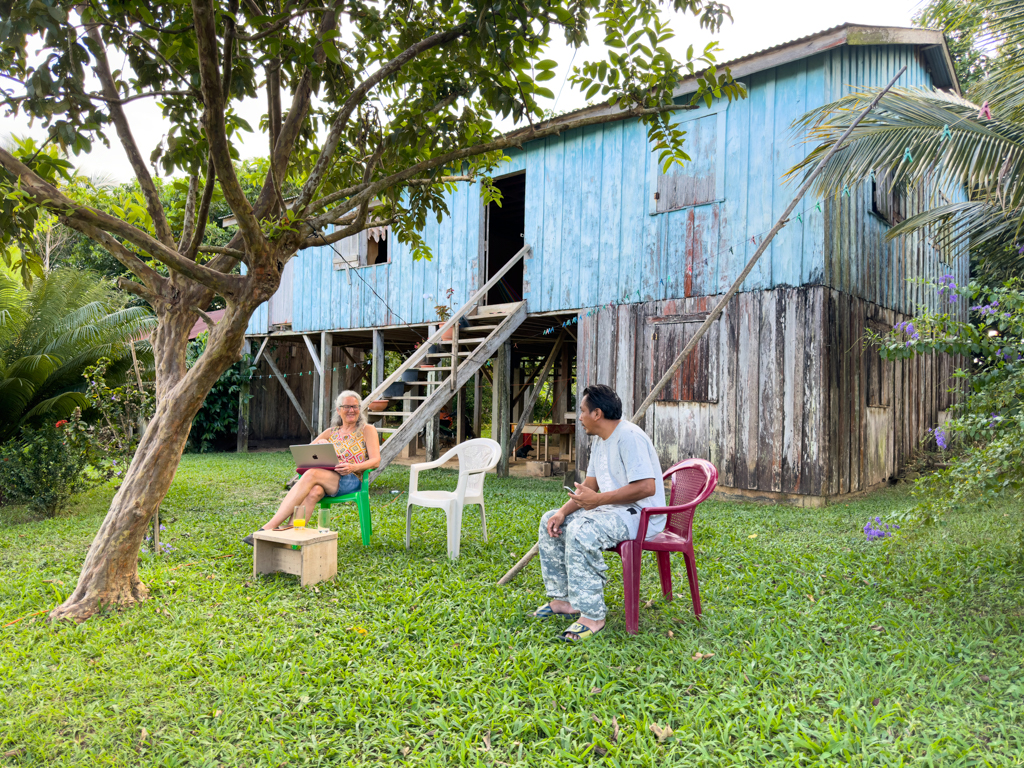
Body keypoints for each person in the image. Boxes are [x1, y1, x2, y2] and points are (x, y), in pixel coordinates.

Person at [532, 384, 665, 642]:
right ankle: (567, 601)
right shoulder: (601, 442)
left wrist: (598, 500)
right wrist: (561, 512)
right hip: (612, 510)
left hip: (641, 515)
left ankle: (593, 616)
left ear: (597, 414)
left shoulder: (629, 437)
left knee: (583, 530)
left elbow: (646, 487)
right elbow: (590, 487)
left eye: (582, 411)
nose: (579, 417)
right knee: (549, 520)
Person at [242, 391, 380, 546]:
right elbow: (307, 453)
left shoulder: (367, 430)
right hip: (328, 478)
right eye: (347, 406)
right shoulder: (331, 432)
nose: (351, 410)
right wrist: (319, 445)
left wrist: (353, 466)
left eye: (355, 406)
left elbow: (376, 461)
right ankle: (289, 537)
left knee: (311, 474)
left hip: (352, 479)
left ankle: (268, 528)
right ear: (338, 410)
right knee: (314, 492)